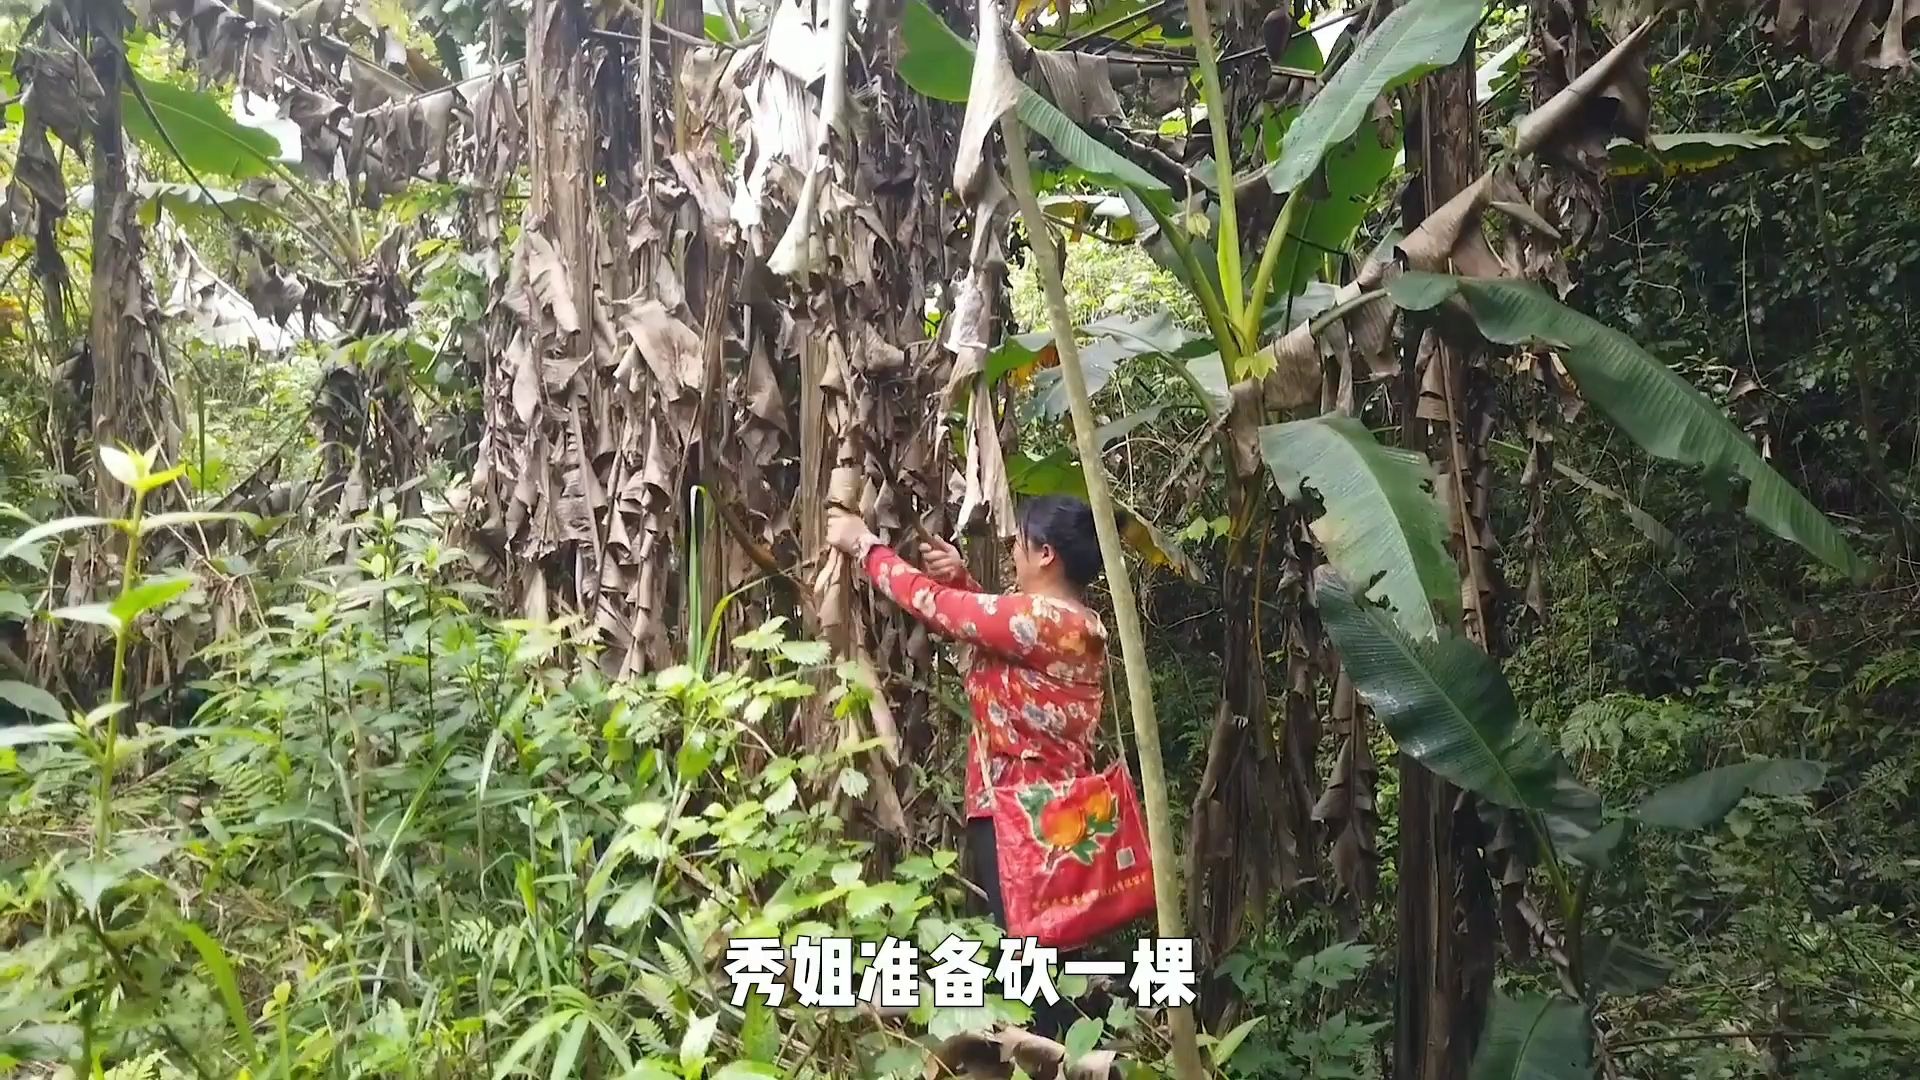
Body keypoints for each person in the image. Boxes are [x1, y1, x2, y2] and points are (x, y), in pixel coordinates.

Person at [824, 495, 1109, 931]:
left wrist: (864, 545)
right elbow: (1001, 638)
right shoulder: (1073, 622)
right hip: (1055, 813)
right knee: (1051, 947)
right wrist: (959, 576)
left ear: (1047, 554)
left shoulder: (1040, 619)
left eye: (1021, 543)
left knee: (1032, 956)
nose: (1014, 551)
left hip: (1020, 816)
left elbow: (935, 606)